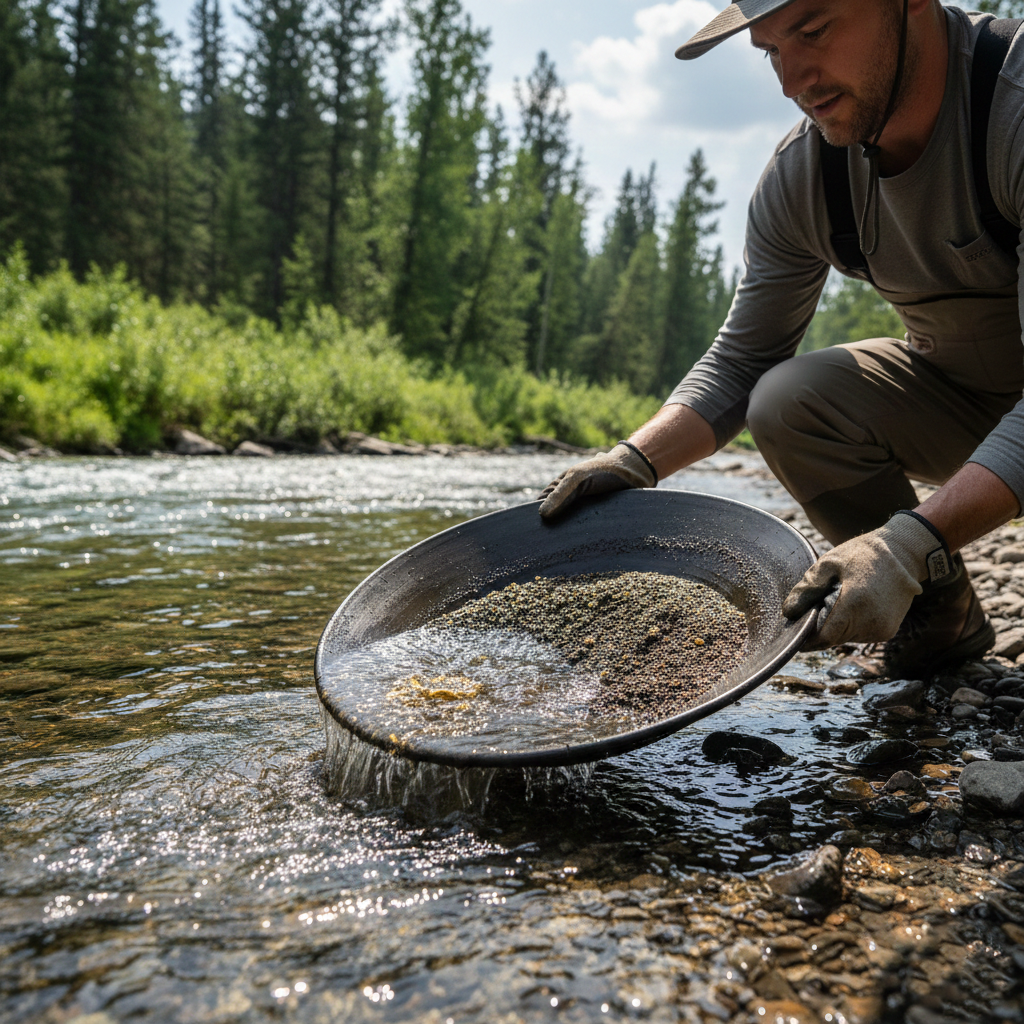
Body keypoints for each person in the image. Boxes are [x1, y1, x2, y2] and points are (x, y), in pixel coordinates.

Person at [539, 0, 1024, 678]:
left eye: (814, 30)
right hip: (971, 405)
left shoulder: (1014, 107)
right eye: (770, 50)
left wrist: (903, 543)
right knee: (786, 398)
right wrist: (632, 463)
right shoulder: (806, 174)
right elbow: (744, 358)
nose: (792, 81)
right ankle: (940, 615)